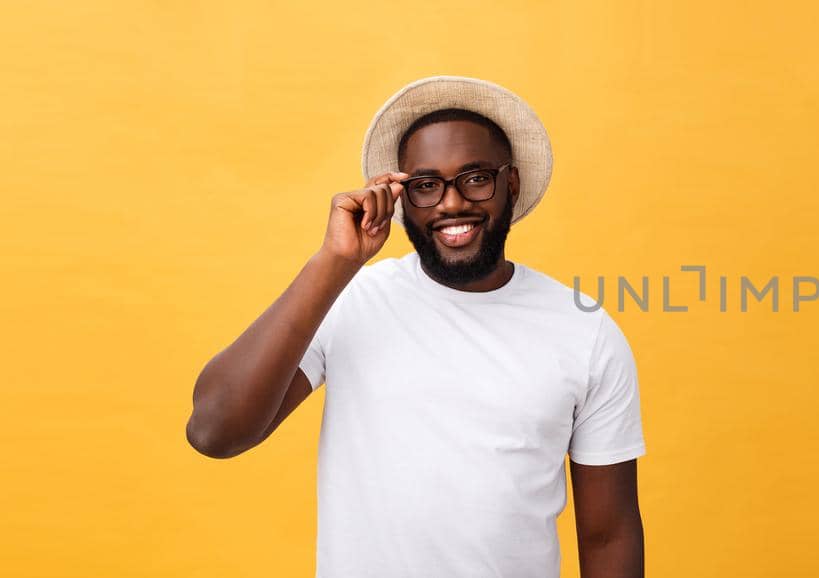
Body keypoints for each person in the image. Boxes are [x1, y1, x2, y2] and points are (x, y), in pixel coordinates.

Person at [185, 76, 645, 578]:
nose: (450, 204)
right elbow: (215, 432)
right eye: (425, 186)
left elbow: (609, 535)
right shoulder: (350, 300)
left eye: (475, 178)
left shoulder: (585, 331)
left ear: (510, 184)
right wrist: (334, 262)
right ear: (400, 197)